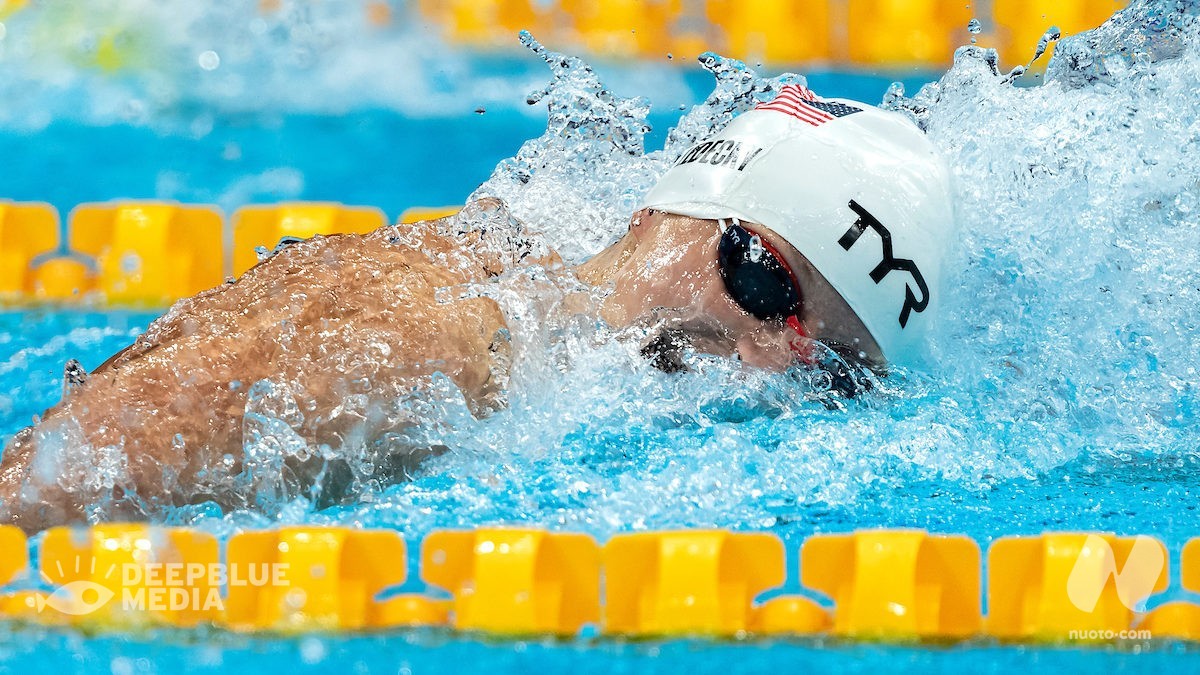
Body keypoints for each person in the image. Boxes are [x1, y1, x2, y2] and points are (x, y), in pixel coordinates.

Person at [0, 85, 954, 532]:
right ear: (666, 211)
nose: (770, 363)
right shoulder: (438, 337)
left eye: (834, 373)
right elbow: (41, 495)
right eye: (763, 280)